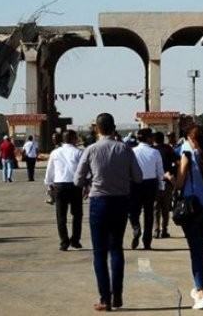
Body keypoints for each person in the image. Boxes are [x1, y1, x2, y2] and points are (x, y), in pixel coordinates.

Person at [74, 113, 143, 312]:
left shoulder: (91, 150)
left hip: (99, 202)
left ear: (97, 129)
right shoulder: (125, 149)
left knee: (99, 252)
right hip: (121, 201)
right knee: (116, 249)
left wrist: (91, 180)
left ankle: (105, 298)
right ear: (114, 128)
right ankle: (118, 295)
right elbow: (138, 177)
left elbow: (77, 180)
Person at [175, 126, 203, 310]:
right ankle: (198, 287)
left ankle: (201, 292)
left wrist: (170, 177)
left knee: (196, 252)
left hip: (192, 208)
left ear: (192, 140)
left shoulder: (188, 155)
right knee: (201, 251)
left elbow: (180, 182)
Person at [44, 130, 84, 250]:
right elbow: (83, 169)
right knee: (77, 214)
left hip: (59, 185)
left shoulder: (55, 152)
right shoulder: (79, 152)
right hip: (75, 185)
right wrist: (86, 183)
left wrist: (49, 183)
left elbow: (50, 170)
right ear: (73, 139)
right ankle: (75, 240)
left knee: (61, 215)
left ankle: (64, 242)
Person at [129, 128, 164, 250]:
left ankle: (136, 227)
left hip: (135, 183)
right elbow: (160, 172)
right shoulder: (155, 152)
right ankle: (147, 241)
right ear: (148, 138)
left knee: (133, 211)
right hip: (151, 184)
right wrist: (161, 187)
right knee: (149, 213)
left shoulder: (132, 151)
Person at [153, 131, 177, 239]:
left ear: (154, 140)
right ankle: (164, 230)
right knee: (165, 208)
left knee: (156, 208)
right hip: (167, 181)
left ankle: (156, 230)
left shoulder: (152, 150)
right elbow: (175, 164)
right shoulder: (169, 149)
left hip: (155, 183)